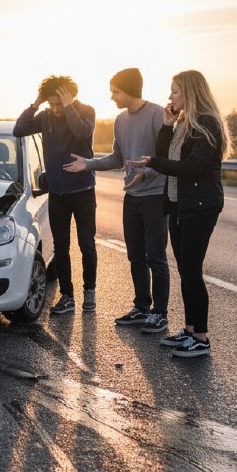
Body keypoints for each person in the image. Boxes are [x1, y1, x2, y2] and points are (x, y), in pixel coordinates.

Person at [127, 70, 232, 357]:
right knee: (185, 271)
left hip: (201, 207)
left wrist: (153, 162)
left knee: (192, 272)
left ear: (190, 92)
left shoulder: (207, 123)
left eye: (175, 91)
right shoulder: (184, 122)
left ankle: (201, 338)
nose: (170, 96)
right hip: (178, 205)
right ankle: (189, 330)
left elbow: (191, 167)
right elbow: (164, 154)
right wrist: (167, 125)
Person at [63, 68, 170, 333]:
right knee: (135, 256)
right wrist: (88, 163)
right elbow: (118, 158)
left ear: (130, 90)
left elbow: (167, 160)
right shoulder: (120, 120)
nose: (112, 97)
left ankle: (160, 314)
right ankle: (141, 308)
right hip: (131, 197)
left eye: (116, 92)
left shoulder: (157, 115)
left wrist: (146, 174)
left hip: (156, 196)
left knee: (156, 257)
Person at [13, 75, 97, 314]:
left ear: (70, 97)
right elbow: (19, 130)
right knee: (61, 247)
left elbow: (81, 133)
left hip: (83, 191)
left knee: (86, 244)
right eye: (52, 104)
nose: (56, 109)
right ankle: (67, 296)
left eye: (59, 103)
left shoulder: (86, 111)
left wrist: (69, 107)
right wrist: (36, 104)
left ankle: (89, 292)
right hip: (58, 193)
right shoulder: (45, 116)